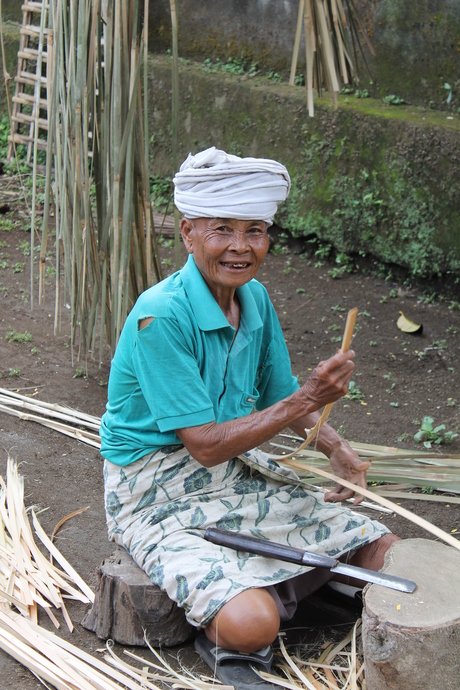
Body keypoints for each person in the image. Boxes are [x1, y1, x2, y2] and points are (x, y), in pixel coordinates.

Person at [100, 147, 398, 689]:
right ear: (188, 232)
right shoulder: (159, 317)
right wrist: (307, 399)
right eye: (222, 231)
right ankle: (258, 614)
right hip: (155, 494)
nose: (240, 247)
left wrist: (337, 448)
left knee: (386, 552)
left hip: (237, 471)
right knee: (250, 624)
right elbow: (207, 446)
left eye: (255, 231)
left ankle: (301, 584)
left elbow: (279, 391)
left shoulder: (254, 299)